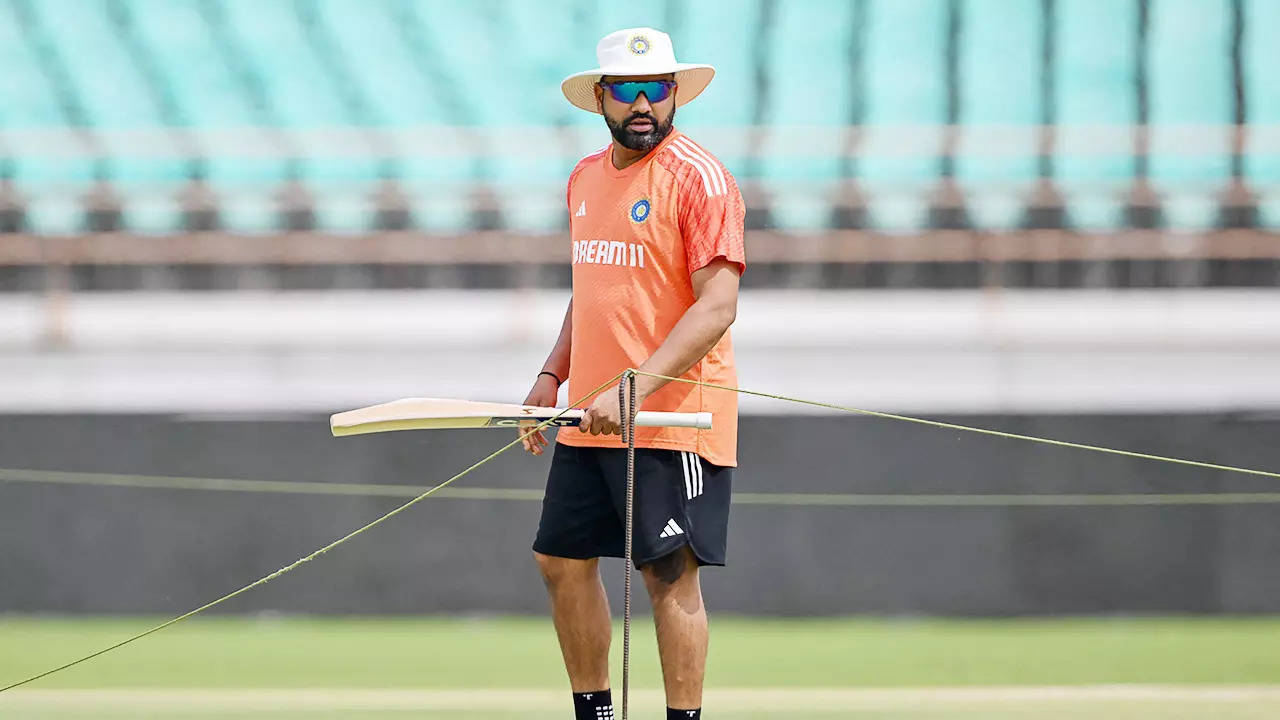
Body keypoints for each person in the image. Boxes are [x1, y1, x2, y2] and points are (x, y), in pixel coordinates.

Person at [519, 27, 745, 720]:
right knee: (559, 562)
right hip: (592, 413)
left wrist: (636, 387)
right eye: (626, 90)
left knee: (668, 577)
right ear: (600, 99)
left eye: (658, 88)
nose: (643, 103)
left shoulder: (699, 178)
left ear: (675, 95)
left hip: (672, 420)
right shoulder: (585, 178)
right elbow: (591, 290)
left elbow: (719, 305)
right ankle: (596, 714)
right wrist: (551, 375)